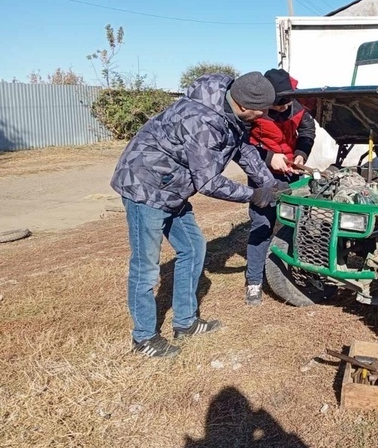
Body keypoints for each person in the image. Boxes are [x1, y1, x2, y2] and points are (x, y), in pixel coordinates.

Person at [111, 71, 289, 358]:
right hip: (145, 186)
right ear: (243, 106)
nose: (264, 115)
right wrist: (254, 195)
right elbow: (208, 182)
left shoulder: (232, 109)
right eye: (261, 111)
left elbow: (242, 149)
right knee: (145, 267)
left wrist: (269, 184)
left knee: (194, 248)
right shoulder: (202, 121)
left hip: (173, 188)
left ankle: (185, 322)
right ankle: (143, 338)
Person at [244, 68, 316, 306]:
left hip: (293, 173)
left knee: (299, 224)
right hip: (262, 174)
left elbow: (307, 130)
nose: (284, 108)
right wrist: (268, 158)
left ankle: (299, 273)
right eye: (278, 105)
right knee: (262, 224)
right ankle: (254, 281)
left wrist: (300, 155)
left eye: (287, 103)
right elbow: (241, 145)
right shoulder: (253, 109)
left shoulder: (295, 103)